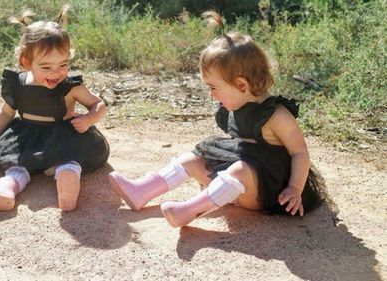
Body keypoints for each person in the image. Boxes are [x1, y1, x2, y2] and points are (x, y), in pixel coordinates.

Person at [109, 11, 325, 227]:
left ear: (241, 85)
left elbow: (299, 152)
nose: (211, 94)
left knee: (239, 169)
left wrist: (294, 188)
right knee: (191, 159)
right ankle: (141, 190)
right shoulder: (235, 104)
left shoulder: (276, 115)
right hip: (241, 183)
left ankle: (190, 211)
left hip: (270, 190)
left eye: (213, 87)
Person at [0, 6, 110, 212]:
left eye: (63, 64)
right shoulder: (18, 85)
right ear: (26, 62)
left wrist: (89, 118)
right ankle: (5, 191)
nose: (57, 73)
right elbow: (6, 113)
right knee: (13, 165)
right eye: (46, 67)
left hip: (64, 135)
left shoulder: (71, 87)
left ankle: (67, 183)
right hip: (26, 137)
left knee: (70, 158)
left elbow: (98, 104)